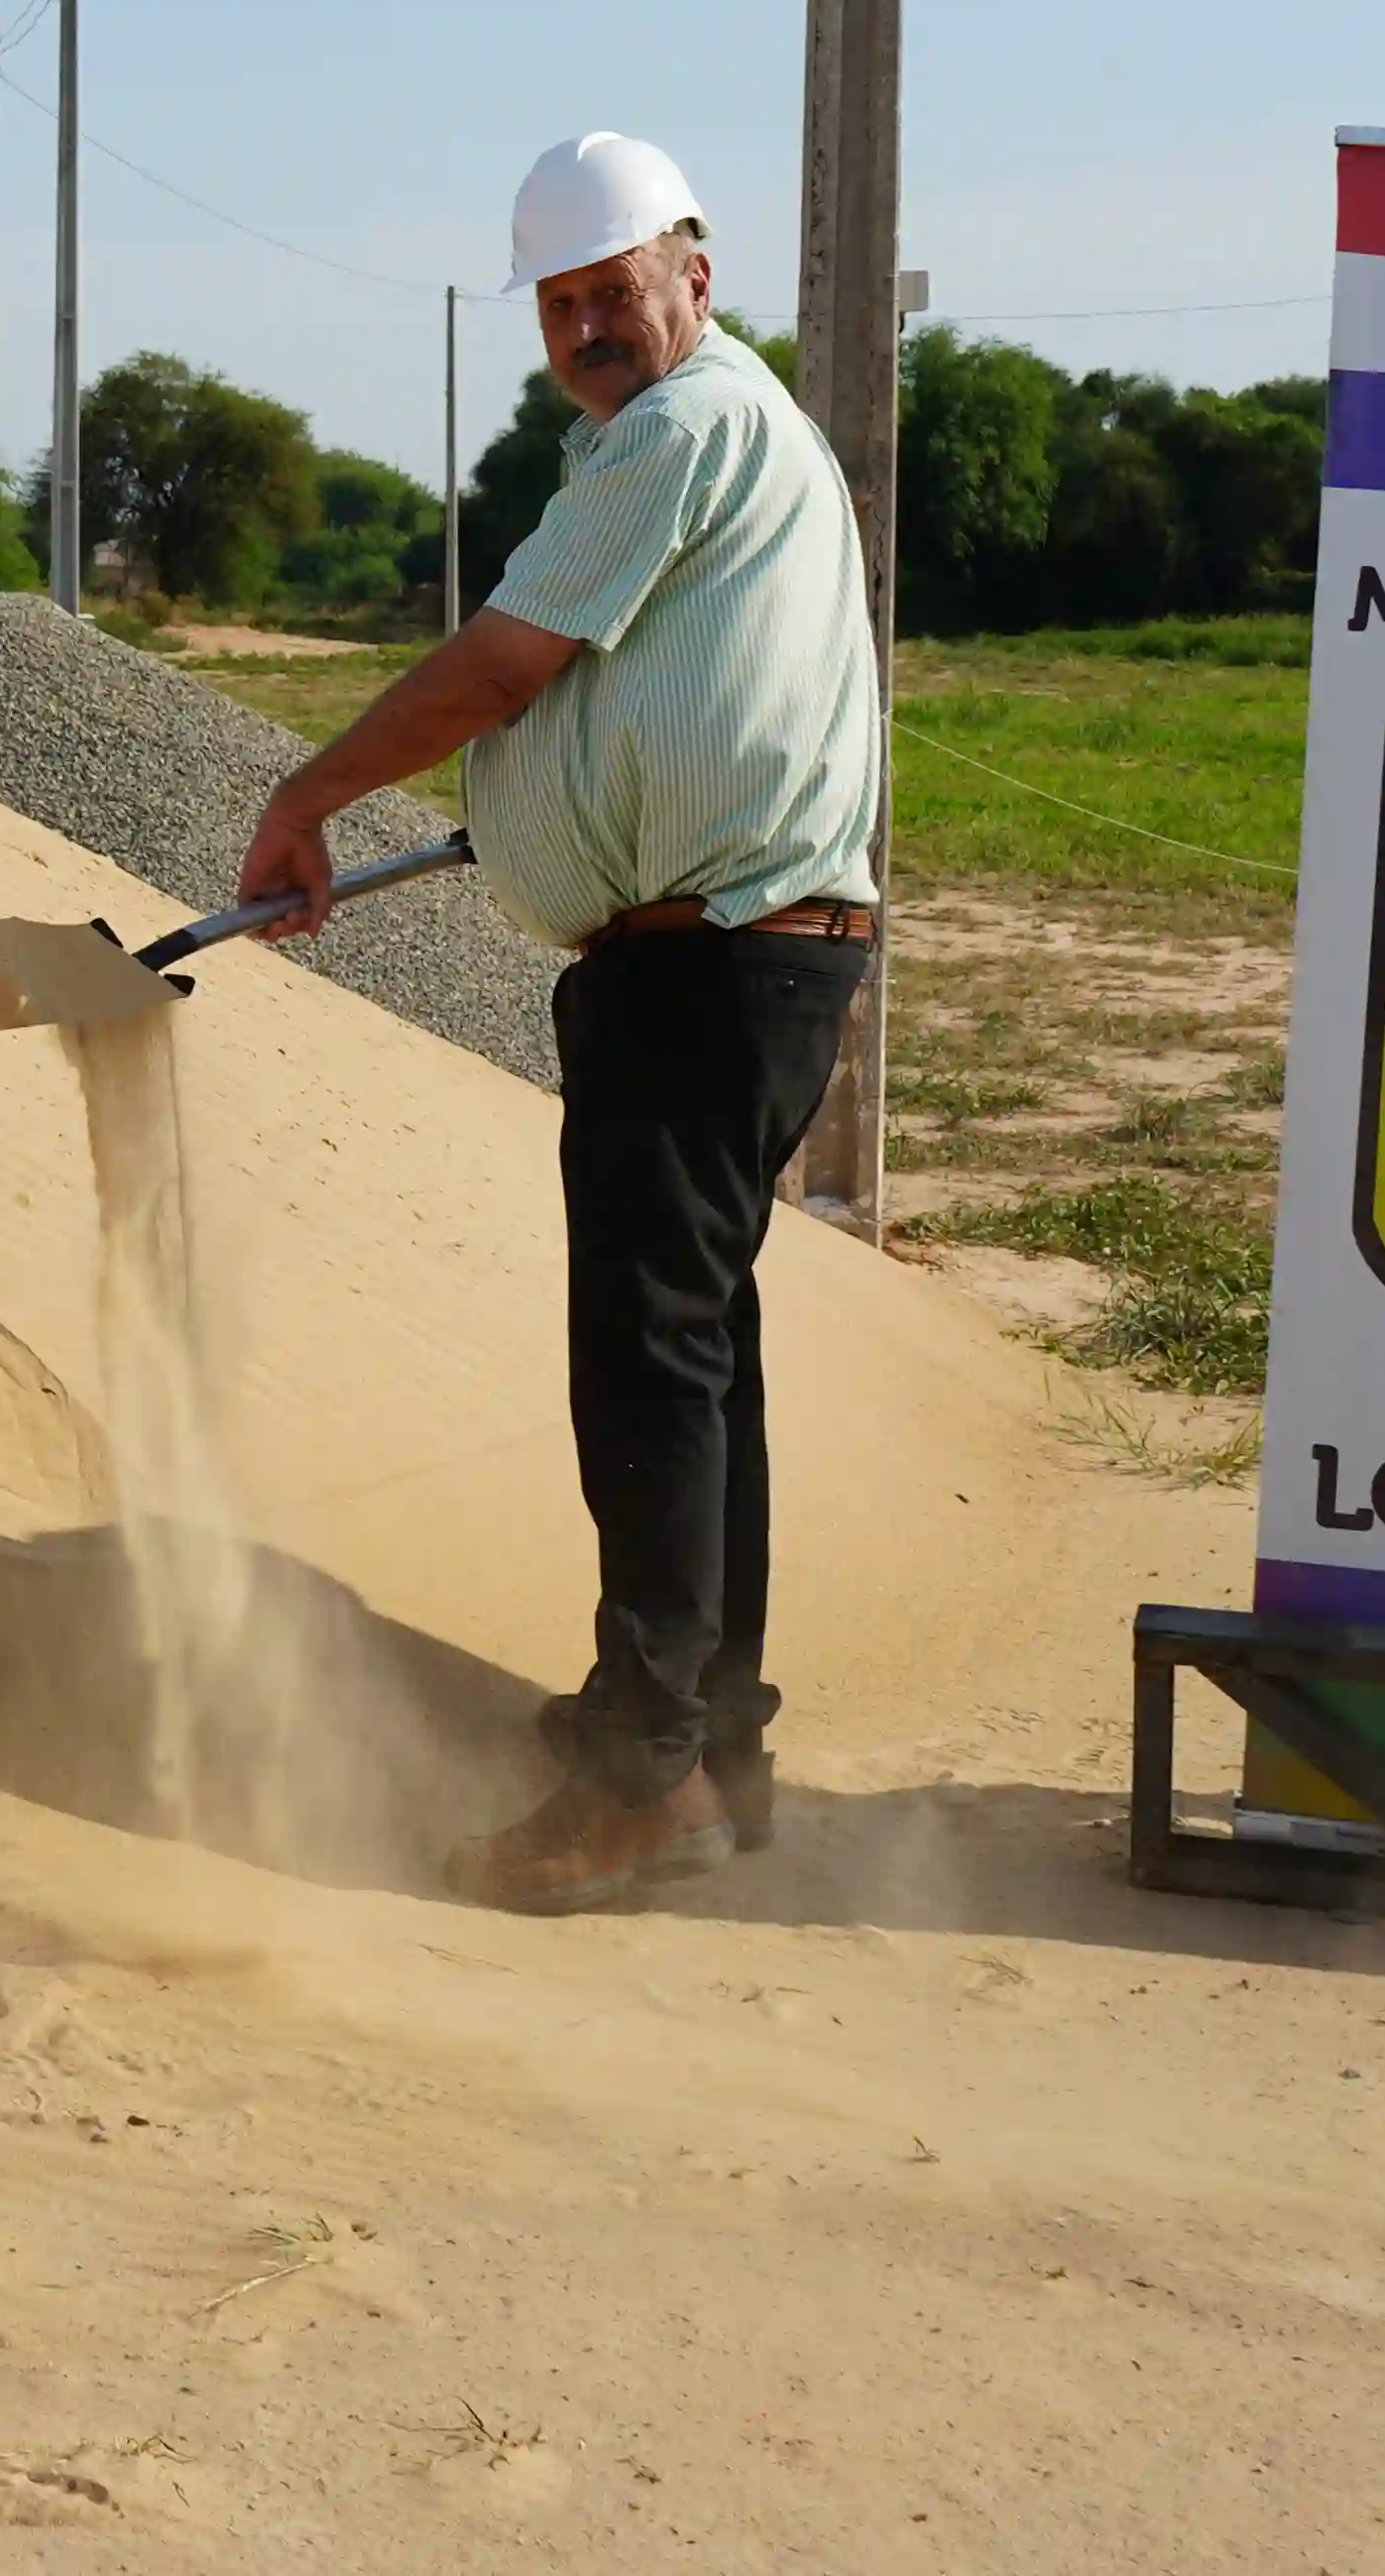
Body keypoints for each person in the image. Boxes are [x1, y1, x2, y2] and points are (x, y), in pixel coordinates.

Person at [233, 133, 882, 1919]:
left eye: (617, 288)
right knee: (701, 1360)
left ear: (695, 264)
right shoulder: (699, 435)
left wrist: (310, 793)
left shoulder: (677, 431)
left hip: (714, 962)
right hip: (731, 960)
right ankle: (700, 1730)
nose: (593, 326)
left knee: (650, 1369)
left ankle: (642, 1775)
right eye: (563, 302)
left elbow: (505, 664)